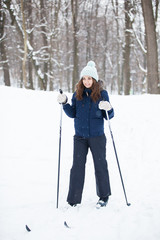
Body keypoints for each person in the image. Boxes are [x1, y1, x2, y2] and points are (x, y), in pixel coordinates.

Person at [57, 61, 114, 208]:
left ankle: (104, 196)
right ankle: (73, 199)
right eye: (84, 78)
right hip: (80, 137)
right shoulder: (78, 94)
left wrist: (108, 108)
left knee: (100, 165)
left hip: (97, 137)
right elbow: (73, 113)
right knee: (77, 167)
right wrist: (64, 104)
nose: (87, 81)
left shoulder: (102, 94)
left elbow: (108, 116)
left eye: (89, 78)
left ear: (94, 80)